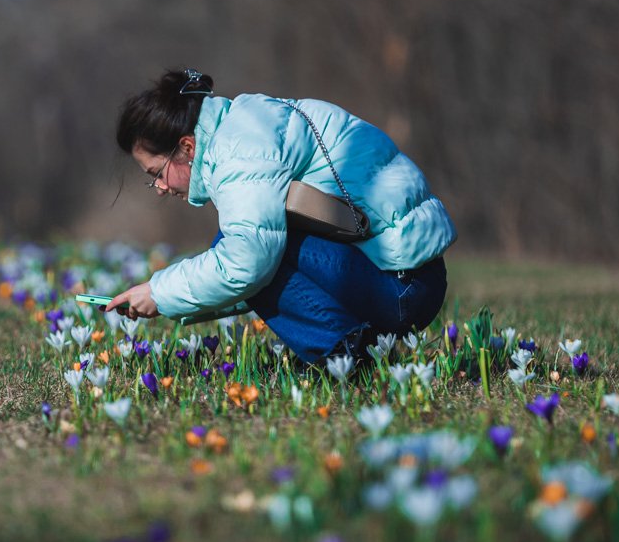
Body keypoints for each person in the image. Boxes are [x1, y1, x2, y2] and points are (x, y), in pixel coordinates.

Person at [105, 68, 457, 366]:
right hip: (411, 277)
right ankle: (350, 348)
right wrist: (166, 299)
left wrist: (160, 292)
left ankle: (345, 358)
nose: (161, 187)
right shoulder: (249, 122)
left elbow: (248, 264)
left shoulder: (239, 152)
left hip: (402, 289)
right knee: (252, 249)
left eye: (157, 173)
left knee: (249, 252)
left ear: (186, 147)